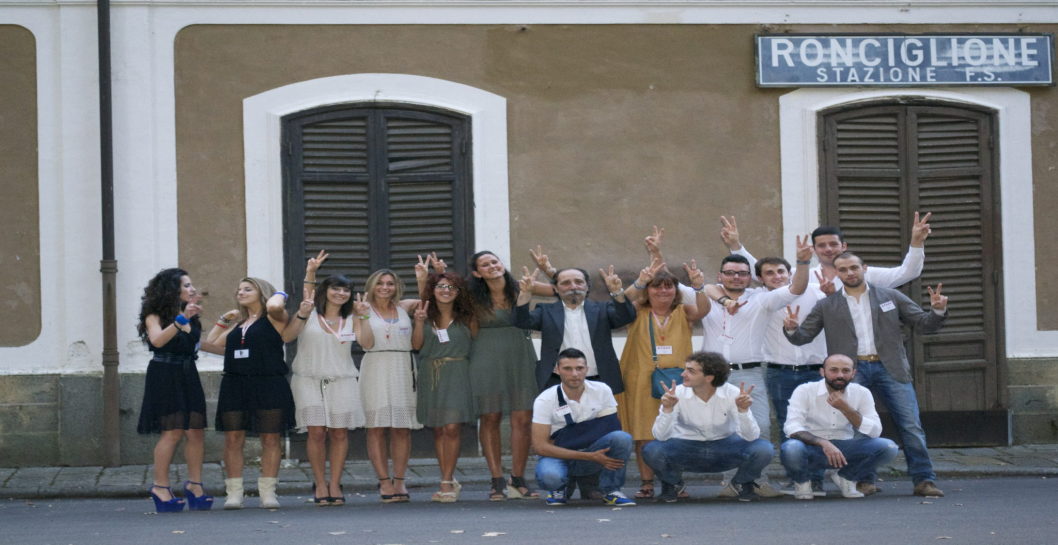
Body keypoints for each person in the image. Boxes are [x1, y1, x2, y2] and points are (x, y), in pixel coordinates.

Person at [784, 251, 949, 497]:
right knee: (858, 425)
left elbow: (923, 323)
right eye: (843, 269)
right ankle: (863, 480)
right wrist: (792, 329)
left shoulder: (890, 296)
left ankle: (924, 480)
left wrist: (936, 311)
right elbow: (802, 337)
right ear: (837, 273)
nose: (849, 273)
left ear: (864, 268)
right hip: (850, 372)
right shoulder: (827, 304)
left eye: (853, 267)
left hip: (889, 367)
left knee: (911, 425)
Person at [657, 238, 811, 497]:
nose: (736, 277)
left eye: (742, 274)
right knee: (725, 427)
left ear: (750, 277)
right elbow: (666, 281)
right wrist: (655, 251)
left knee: (759, 426)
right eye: (730, 273)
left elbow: (797, 288)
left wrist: (803, 261)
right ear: (720, 276)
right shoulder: (704, 293)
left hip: (749, 373)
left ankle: (752, 481)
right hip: (710, 377)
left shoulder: (763, 299)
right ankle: (732, 481)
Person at [616, 257, 708, 499]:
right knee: (644, 433)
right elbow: (619, 303)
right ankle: (647, 482)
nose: (664, 291)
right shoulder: (637, 310)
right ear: (648, 290)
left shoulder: (683, 311)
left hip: (678, 381)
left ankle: (674, 482)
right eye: (657, 286)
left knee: (675, 433)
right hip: (640, 380)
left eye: (669, 286)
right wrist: (639, 281)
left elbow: (704, 310)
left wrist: (698, 288)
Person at [281, 251, 366, 505]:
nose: (341, 293)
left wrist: (365, 317)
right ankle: (319, 483)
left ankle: (334, 483)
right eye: (336, 288)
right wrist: (311, 272)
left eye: (346, 290)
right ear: (325, 290)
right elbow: (287, 337)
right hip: (308, 379)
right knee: (316, 433)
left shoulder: (352, 318)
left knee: (339, 433)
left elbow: (367, 343)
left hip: (342, 380)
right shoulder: (308, 314)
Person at [462, 251, 547, 500]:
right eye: (485, 265)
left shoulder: (522, 287)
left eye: (494, 262)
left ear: (501, 264)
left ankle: (517, 479)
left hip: (521, 356)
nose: (491, 266)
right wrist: (434, 276)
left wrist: (547, 269)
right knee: (490, 417)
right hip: (486, 358)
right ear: (477, 273)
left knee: (523, 418)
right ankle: (497, 480)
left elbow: (559, 289)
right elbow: (441, 293)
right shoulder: (471, 295)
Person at [137, 268, 223, 512]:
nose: (192, 289)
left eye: (191, 284)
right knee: (172, 432)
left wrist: (235, 353)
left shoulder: (190, 315)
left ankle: (195, 486)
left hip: (188, 374)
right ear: (171, 289)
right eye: (186, 285)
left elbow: (198, 345)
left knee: (195, 431)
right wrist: (182, 318)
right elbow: (157, 341)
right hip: (165, 374)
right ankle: (160, 487)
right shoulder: (154, 315)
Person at [206, 277, 296, 509]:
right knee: (233, 438)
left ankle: (268, 493)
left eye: (248, 289)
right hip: (235, 385)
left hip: (269, 384)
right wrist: (225, 319)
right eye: (239, 290)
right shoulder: (240, 325)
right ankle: (234, 493)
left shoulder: (275, 318)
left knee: (270, 437)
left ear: (262, 292)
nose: (241, 293)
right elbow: (212, 343)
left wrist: (281, 294)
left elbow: (275, 305)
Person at [642, 351, 775, 503]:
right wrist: (667, 409)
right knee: (651, 450)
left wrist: (743, 411)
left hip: (724, 447)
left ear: (709, 377)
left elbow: (751, 437)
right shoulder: (676, 393)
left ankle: (742, 483)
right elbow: (661, 436)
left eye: (691, 371)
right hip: (685, 448)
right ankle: (672, 484)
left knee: (764, 449)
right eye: (685, 369)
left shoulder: (733, 393)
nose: (683, 374)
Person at [358, 264, 430, 502]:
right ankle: (383, 481)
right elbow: (366, 344)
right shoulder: (360, 309)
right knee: (376, 427)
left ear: (397, 286)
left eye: (389, 283)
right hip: (375, 366)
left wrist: (423, 279)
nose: (385, 288)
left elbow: (431, 300)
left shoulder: (404, 307)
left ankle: (399, 480)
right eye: (379, 283)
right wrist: (363, 316)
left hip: (402, 366)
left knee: (402, 427)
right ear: (371, 286)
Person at [780, 354, 899, 500]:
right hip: (811, 448)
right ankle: (803, 483)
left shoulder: (861, 393)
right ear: (823, 372)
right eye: (834, 370)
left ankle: (847, 477)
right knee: (791, 448)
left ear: (853, 373)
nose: (840, 375)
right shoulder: (805, 390)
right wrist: (823, 442)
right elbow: (791, 427)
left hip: (845, 449)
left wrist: (847, 409)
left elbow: (875, 431)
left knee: (888, 447)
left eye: (846, 371)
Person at [531, 348, 636, 507]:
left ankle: (611, 490)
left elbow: (611, 430)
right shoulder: (545, 400)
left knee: (622, 438)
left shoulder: (602, 390)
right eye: (567, 368)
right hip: (568, 456)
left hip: (586, 451)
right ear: (557, 370)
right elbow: (539, 447)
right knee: (550, 476)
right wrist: (589, 454)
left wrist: (560, 440)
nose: (574, 374)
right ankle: (559, 488)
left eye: (579, 368)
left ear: (587, 370)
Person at [412, 272, 478, 503]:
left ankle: (447, 481)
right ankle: (446, 478)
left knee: (451, 428)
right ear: (433, 290)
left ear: (459, 292)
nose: (446, 290)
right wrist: (419, 323)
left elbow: (477, 345)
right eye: (441, 286)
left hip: (459, 373)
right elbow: (416, 345)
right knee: (439, 429)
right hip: (431, 373)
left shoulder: (468, 316)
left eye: (452, 287)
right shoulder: (423, 314)